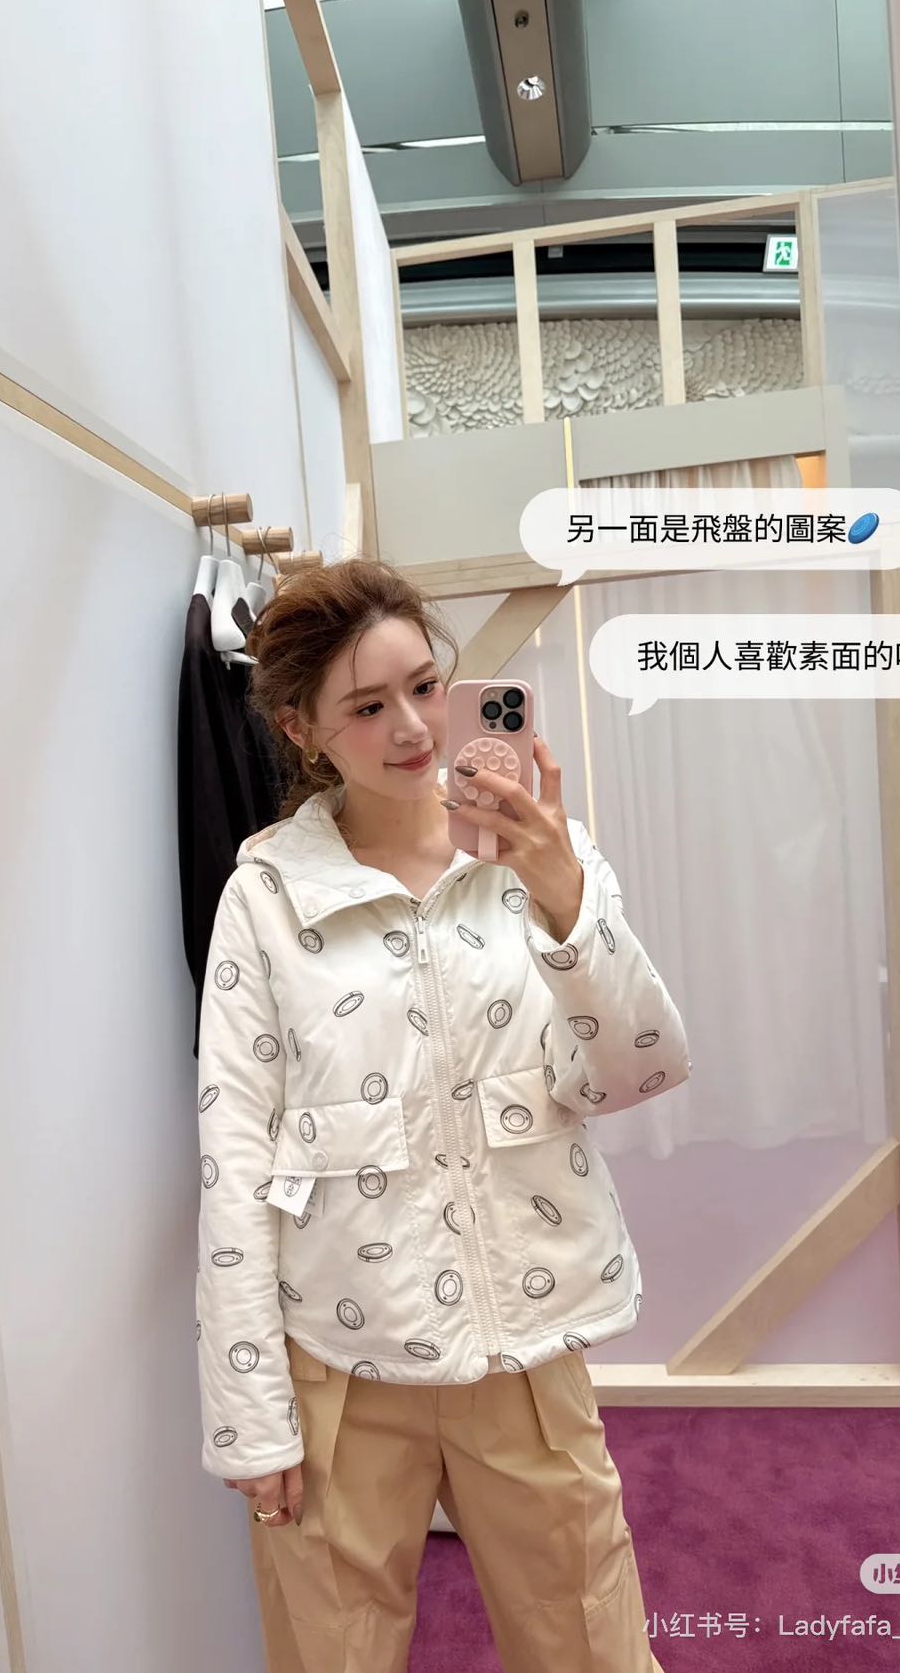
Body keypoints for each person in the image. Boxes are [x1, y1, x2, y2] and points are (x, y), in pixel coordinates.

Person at [193, 557, 689, 1672]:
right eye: (367, 706)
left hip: (524, 1354)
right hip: (339, 1364)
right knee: (332, 1654)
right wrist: (249, 1412)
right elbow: (232, 1156)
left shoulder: (543, 858)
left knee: (592, 1648)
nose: (414, 727)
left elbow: (638, 1070)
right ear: (302, 730)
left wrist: (564, 902)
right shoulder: (266, 895)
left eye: (424, 685)